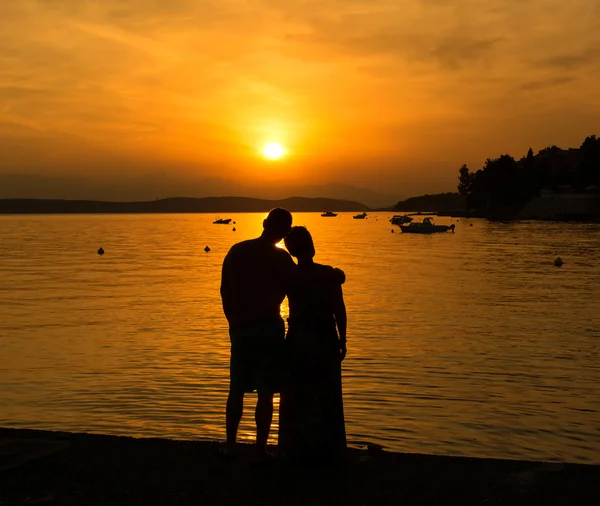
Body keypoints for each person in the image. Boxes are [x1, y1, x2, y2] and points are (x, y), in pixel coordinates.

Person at [220, 209, 344, 461]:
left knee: (236, 389)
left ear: (265, 223)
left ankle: (230, 446)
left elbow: (224, 291)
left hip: (241, 329)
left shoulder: (236, 250)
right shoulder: (280, 258)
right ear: (285, 232)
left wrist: (233, 322)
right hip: (268, 329)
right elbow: (302, 283)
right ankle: (259, 449)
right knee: (265, 393)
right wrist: (334, 275)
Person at [278, 226, 347, 464]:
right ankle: (327, 448)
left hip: (297, 338)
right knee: (326, 394)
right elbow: (339, 309)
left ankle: (294, 447)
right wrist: (343, 339)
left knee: (297, 394)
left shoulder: (289, 276)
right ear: (311, 245)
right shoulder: (329, 274)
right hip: (324, 337)